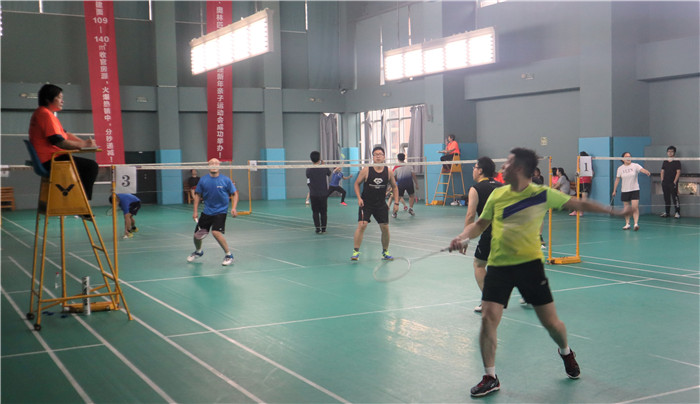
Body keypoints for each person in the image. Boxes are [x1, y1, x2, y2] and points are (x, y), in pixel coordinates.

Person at [449, 147, 634, 397]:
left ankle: (566, 352)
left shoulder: (541, 194)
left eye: (508, 163)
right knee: (488, 318)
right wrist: (463, 236)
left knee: (551, 323)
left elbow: (579, 203)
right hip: (499, 265)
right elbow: (481, 223)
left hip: (529, 267)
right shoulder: (498, 194)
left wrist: (614, 211)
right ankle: (490, 376)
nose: (503, 167)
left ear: (519, 169)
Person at [28, 84, 99, 200]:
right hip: (51, 160)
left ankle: (78, 199)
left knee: (85, 166)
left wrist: (85, 143)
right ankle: (82, 201)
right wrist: (83, 145)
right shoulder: (45, 115)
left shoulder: (46, 114)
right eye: (59, 97)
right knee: (91, 166)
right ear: (48, 99)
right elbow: (59, 142)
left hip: (51, 158)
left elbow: (65, 134)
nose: (62, 101)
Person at [452, 157, 502, 313]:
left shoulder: (475, 189)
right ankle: (529, 295)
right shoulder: (502, 187)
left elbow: (470, 215)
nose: (473, 170)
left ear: (480, 171)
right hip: (510, 231)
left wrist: (465, 238)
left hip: (490, 232)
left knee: (479, 265)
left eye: (474, 167)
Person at [187, 158, 239, 266]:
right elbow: (197, 195)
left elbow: (235, 194)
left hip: (221, 211)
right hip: (207, 211)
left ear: (219, 165)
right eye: (211, 163)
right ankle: (198, 251)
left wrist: (234, 208)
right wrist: (195, 211)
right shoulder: (203, 180)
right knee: (197, 235)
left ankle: (229, 255)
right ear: (208, 165)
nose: (214, 165)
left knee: (216, 232)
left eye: (216, 163)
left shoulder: (226, 180)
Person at [351, 146, 399, 261]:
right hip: (366, 203)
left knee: (385, 228)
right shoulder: (366, 170)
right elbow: (356, 184)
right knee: (362, 225)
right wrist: (359, 198)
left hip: (380, 204)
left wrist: (396, 203)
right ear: (372, 157)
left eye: (380, 154)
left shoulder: (388, 171)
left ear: (384, 157)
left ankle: (385, 252)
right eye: (375, 154)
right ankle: (355, 252)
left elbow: (394, 187)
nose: (378, 156)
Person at [612, 152, 651, 231]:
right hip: (625, 190)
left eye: (629, 156)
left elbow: (642, 169)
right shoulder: (620, 168)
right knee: (626, 208)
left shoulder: (635, 165)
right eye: (626, 156)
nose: (628, 158)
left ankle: (636, 224)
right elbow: (617, 179)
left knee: (635, 207)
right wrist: (614, 190)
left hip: (634, 189)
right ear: (623, 159)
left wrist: (646, 171)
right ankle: (627, 224)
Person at [307, 151, 331, 233]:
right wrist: (324, 165)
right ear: (319, 158)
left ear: (311, 159)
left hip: (313, 194)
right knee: (323, 212)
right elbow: (329, 173)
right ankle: (324, 229)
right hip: (323, 194)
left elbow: (307, 177)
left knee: (315, 212)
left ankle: (318, 229)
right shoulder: (323, 168)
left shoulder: (309, 169)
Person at [392, 153, 419, 217]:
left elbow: (393, 177)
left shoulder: (396, 167)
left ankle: (394, 213)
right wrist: (416, 184)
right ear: (404, 158)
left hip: (400, 184)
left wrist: (393, 184)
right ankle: (410, 208)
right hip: (409, 183)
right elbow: (413, 175)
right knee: (411, 196)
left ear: (398, 159)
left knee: (398, 199)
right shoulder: (409, 166)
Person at [660, 145, 681, 218]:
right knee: (666, 198)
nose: (670, 153)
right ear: (667, 152)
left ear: (674, 152)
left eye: (672, 151)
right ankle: (667, 212)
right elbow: (662, 171)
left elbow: (678, 172)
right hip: (665, 182)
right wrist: (662, 180)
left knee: (675, 198)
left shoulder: (677, 161)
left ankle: (677, 213)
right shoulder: (665, 161)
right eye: (668, 151)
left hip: (672, 183)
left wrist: (674, 182)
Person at [571, 152, 593, 216]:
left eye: (580, 156)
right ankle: (575, 210)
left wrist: (588, 178)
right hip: (579, 182)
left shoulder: (588, 164)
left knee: (584, 197)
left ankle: (581, 211)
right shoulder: (579, 164)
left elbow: (592, 173)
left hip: (586, 182)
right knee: (577, 197)